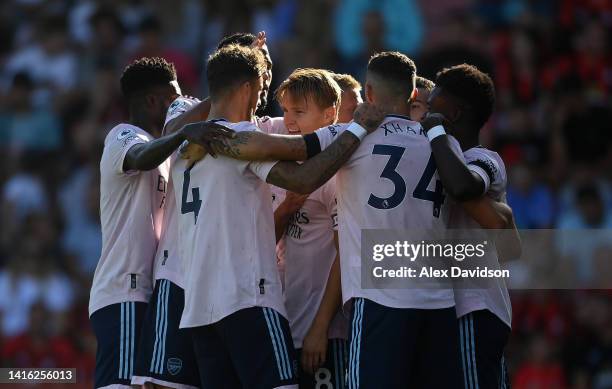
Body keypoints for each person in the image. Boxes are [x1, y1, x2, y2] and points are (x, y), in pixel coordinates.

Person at [173, 44, 384, 389]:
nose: (261, 103)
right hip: (247, 299)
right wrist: (355, 130)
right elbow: (302, 176)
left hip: (199, 310)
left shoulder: (186, 147)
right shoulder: (238, 137)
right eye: (260, 91)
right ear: (247, 89)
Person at [88, 57, 230, 389]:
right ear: (153, 101)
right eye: (173, 99)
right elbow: (140, 157)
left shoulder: (171, 155)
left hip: (149, 292)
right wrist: (185, 131)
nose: (178, 108)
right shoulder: (123, 135)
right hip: (124, 289)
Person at [421, 63, 519, 389]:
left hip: (473, 307)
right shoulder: (431, 157)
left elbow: (463, 186)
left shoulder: (485, 158)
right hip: (449, 309)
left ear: (454, 111)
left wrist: (436, 131)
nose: (427, 113)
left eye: (433, 103)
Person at [272, 68, 348, 388]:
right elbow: (266, 242)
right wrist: (288, 207)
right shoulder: (280, 167)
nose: (289, 121)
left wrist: (321, 327)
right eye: (286, 111)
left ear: (329, 115)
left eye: (299, 112)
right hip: (286, 325)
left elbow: (347, 253)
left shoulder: (337, 174)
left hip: (326, 334)